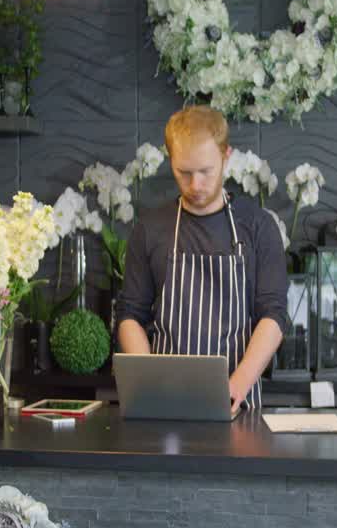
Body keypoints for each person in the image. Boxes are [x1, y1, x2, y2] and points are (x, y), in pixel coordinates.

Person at [115, 106, 290, 412]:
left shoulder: (258, 227)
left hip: (238, 404)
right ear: (171, 161)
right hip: (164, 405)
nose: (195, 185)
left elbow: (273, 315)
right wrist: (149, 382)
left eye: (206, 171)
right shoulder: (150, 229)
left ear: (226, 156)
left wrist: (235, 386)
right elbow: (130, 315)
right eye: (184, 173)